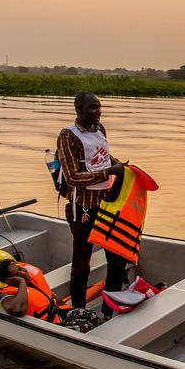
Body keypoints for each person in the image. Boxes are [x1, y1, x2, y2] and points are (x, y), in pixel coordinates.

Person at [56, 92, 130, 315]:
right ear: (78, 109)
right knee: (82, 263)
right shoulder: (68, 136)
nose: (98, 112)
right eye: (92, 108)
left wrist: (121, 166)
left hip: (106, 204)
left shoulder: (100, 129)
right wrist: (108, 172)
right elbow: (72, 177)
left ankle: (109, 309)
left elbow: (103, 157)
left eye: (99, 107)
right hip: (82, 208)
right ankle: (79, 311)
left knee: (117, 259)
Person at [0, 250, 105, 333]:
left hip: (57, 313)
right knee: (84, 326)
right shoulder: (4, 292)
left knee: (91, 315)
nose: (23, 271)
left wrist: (63, 306)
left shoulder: (28, 275)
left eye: (20, 267)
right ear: (9, 280)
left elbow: (47, 295)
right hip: (44, 324)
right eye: (18, 273)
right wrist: (21, 283)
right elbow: (17, 310)